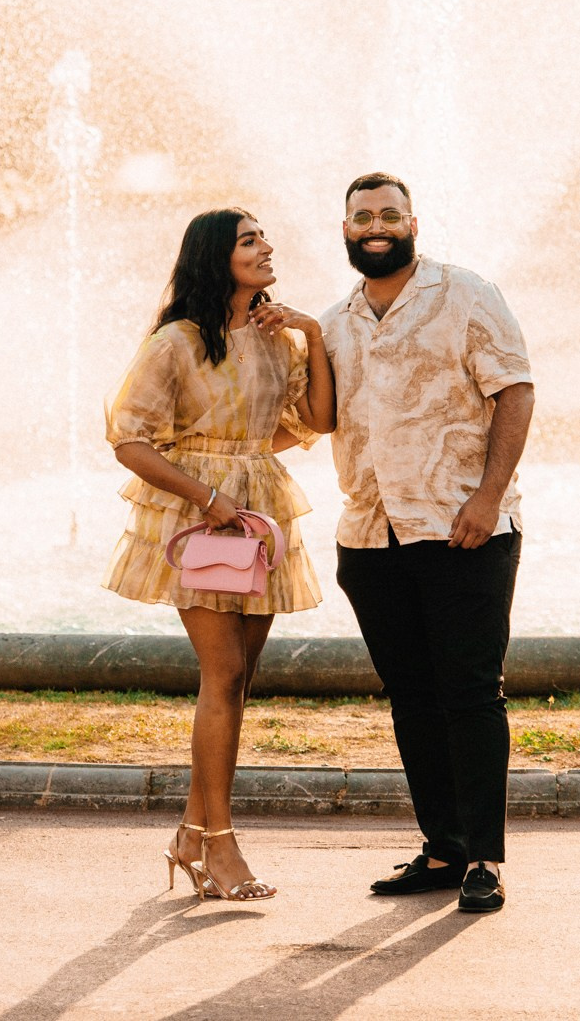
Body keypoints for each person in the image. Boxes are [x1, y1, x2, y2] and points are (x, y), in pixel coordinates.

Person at [319, 173, 535, 914]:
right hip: (371, 537)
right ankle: (441, 846)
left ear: (413, 221)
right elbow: (315, 416)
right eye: (361, 217)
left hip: (461, 529)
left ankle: (484, 857)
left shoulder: (467, 294)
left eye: (387, 214)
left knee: (472, 694)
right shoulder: (334, 322)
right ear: (345, 229)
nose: (374, 226)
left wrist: (486, 496)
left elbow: (515, 390)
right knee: (411, 697)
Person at [104, 207, 334, 903]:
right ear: (215, 256)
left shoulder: (276, 338)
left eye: (265, 235)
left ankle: (188, 835)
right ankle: (221, 845)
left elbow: (317, 421)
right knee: (224, 669)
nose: (267, 247)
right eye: (249, 240)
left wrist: (312, 333)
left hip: (257, 518)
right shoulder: (177, 341)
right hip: (201, 519)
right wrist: (209, 492)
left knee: (234, 684)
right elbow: (128, 437)